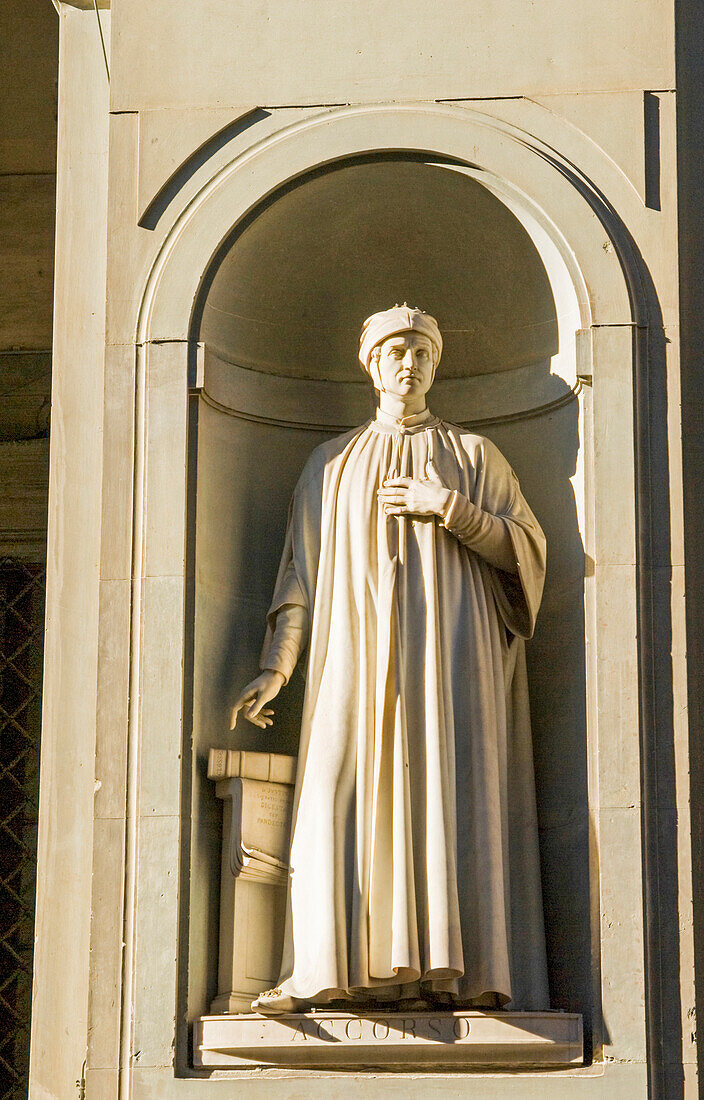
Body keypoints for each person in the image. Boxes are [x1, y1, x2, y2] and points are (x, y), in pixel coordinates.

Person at [231, 305, 549, 1015]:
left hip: (450, 665)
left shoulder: (473, 455)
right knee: (336, 791)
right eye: (396, 350)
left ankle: (442, 975)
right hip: (353, 658)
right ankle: (322, 968)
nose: (410, 362)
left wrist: (454, 510)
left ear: (436, 364)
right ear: (370, 362)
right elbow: (299, 576)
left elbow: (526, 554)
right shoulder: (333, 462)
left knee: (446, 796)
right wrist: (279, 665)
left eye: (422, 351)